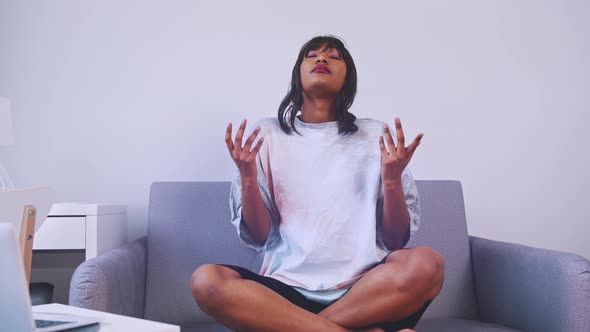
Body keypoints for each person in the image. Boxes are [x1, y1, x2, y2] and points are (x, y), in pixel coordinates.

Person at [190, 35, 444, 332]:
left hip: (364, 293)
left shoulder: (376, 135)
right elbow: (260, 237)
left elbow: (395, 240)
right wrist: (247, 177)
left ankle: (301, 328)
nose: (322, 59)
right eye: (312, 55)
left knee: (429, 264)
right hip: (282, 292)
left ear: (348, 77)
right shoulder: (266, 135)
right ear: (298, 73)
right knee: (206, 282)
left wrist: (391, 179)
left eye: (334, 56)